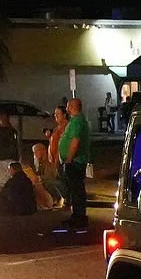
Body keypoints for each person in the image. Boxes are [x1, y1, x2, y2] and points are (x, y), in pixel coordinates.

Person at [59, 95, 90, 229]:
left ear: (71, 107)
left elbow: (75, 142)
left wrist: (69, 159)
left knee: (76, 190)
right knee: (75, 190)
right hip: (75, 161)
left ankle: (79, 217)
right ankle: (77, 215)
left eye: (68, 106)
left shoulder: (77, 122)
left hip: (75, 162)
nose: (66, 109)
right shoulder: (77, 121)